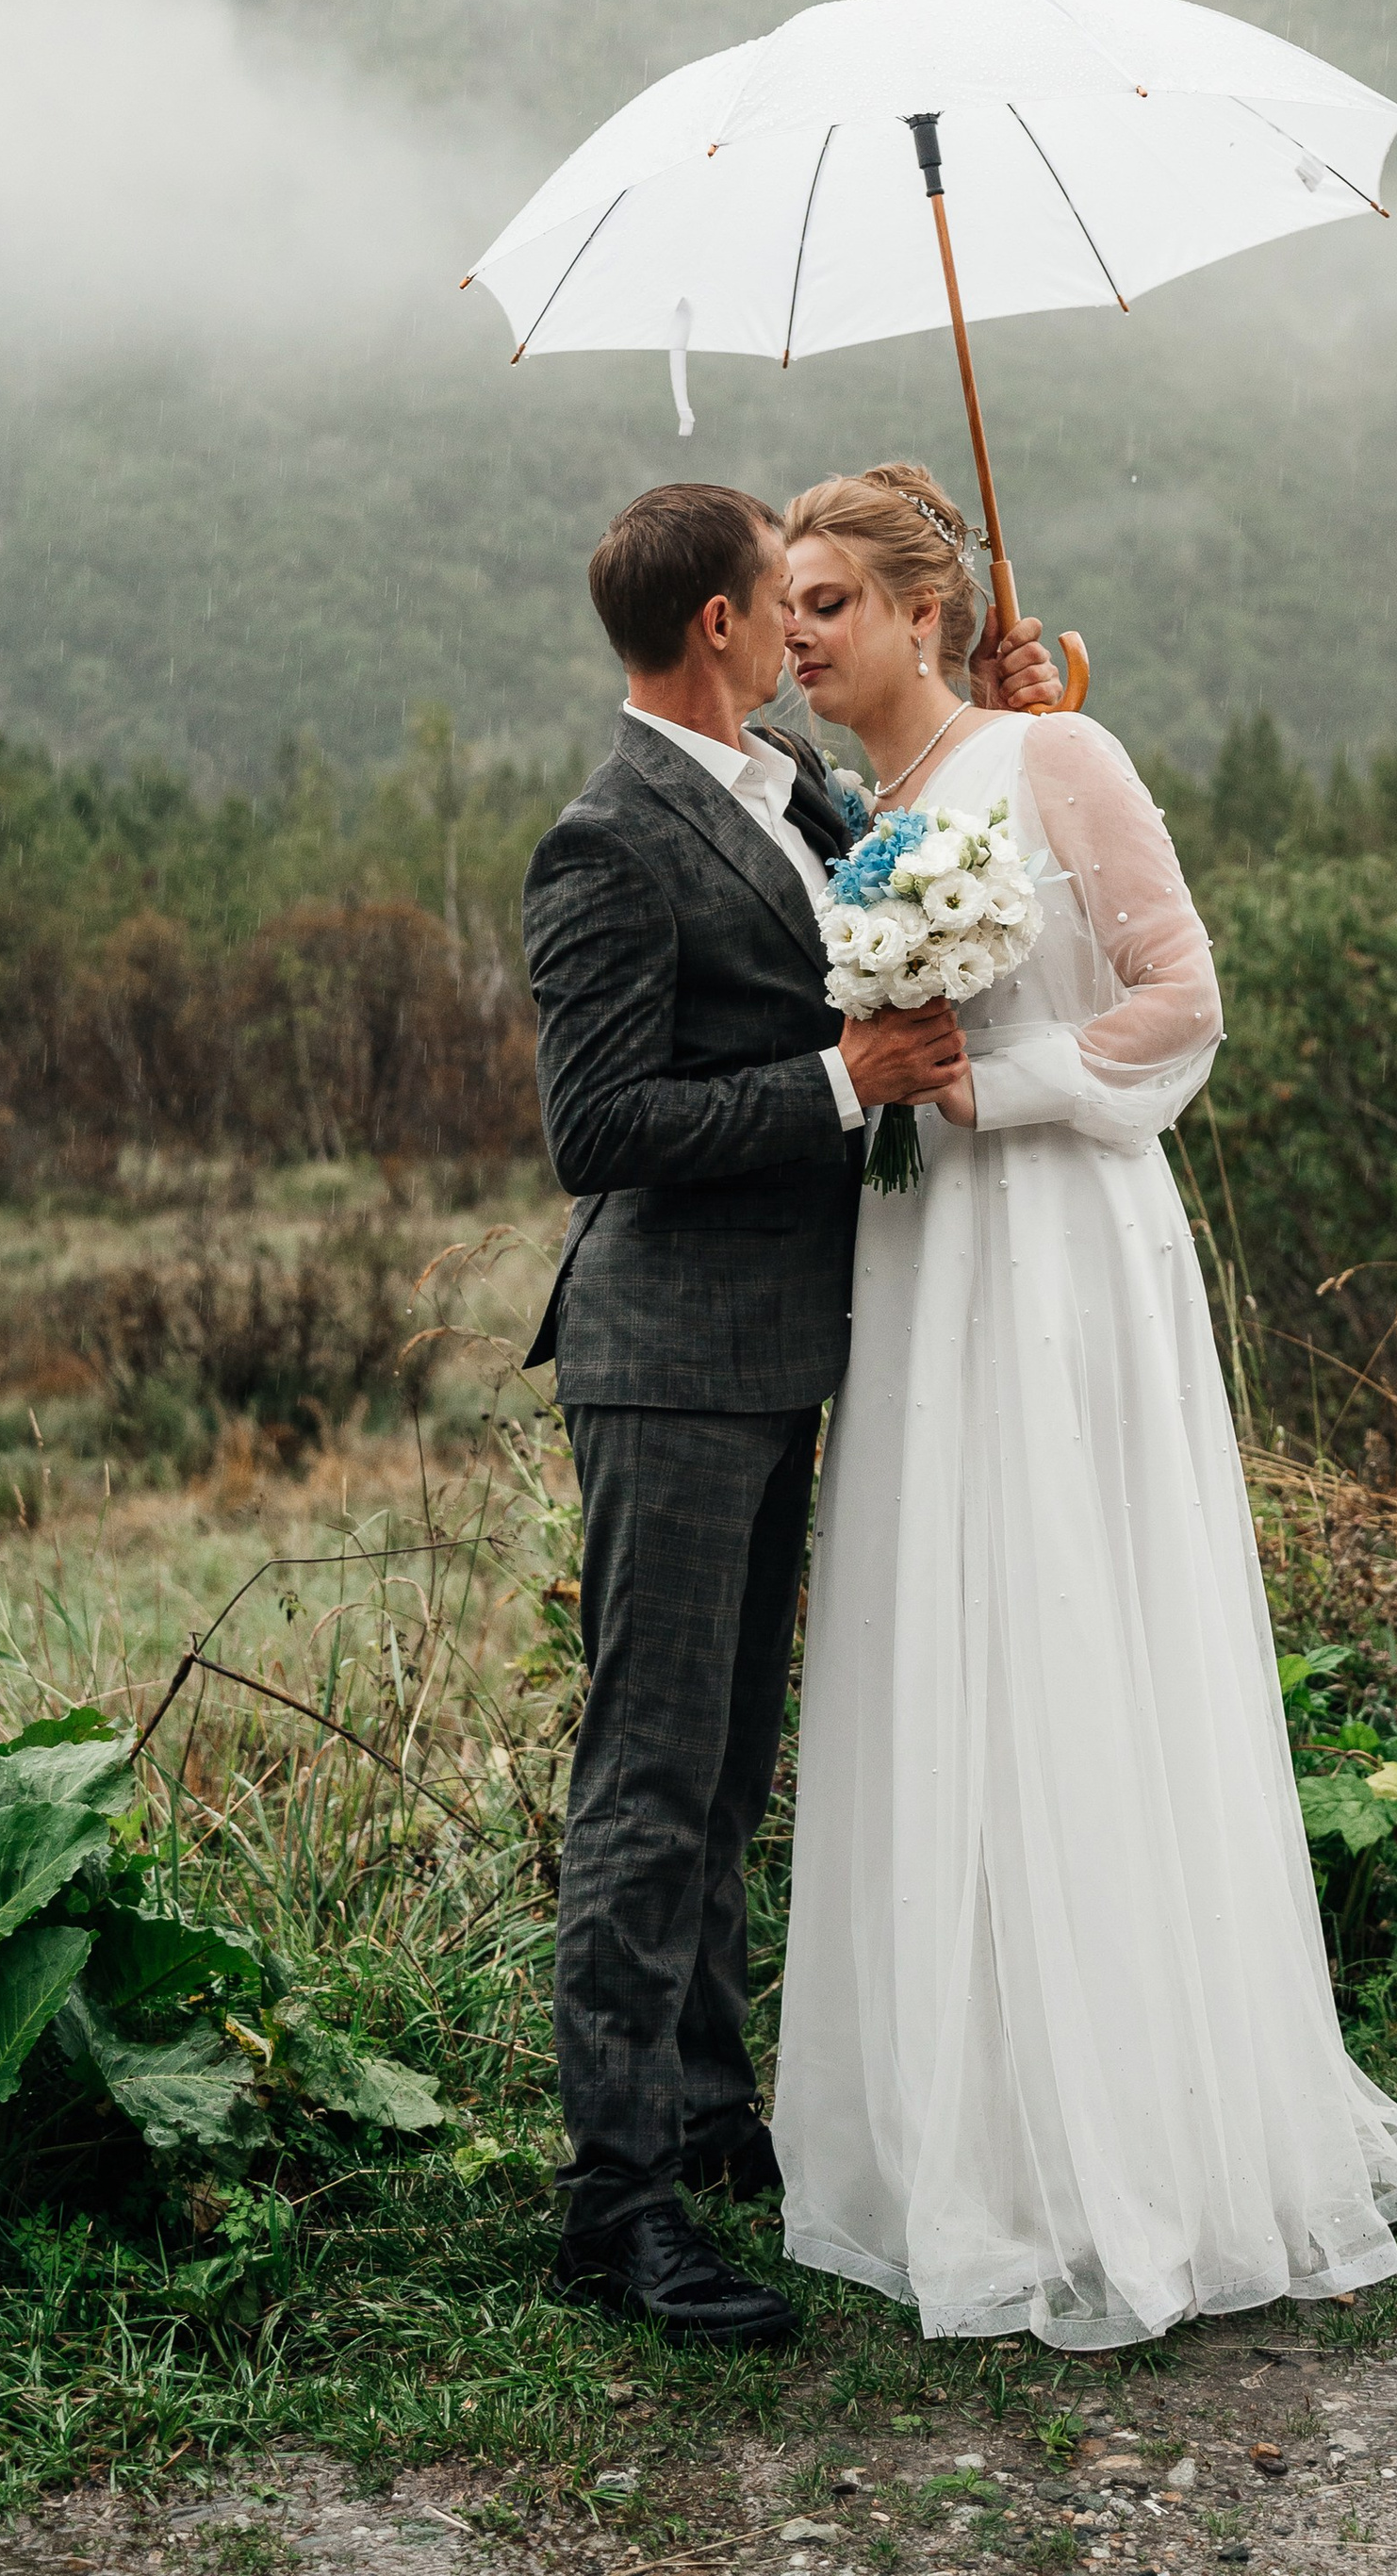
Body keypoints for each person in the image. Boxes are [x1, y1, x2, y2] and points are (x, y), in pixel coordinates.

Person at [771, 462, 1397, 2351]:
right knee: (944, 1641)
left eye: (825, 600)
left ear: (913, 608)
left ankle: (1135, 2139)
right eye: (782, 603)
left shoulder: (1057, 758)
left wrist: (1016, 1078)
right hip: (923, 1266)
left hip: (1056, 1236)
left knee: (1072, 1627)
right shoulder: (863, 808)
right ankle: (967, 2133)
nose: (796, 631)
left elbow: (1181, 990)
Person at [519, 482, 1060, 2352]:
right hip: (664, 1355)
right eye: (780, 600)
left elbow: (902, 853)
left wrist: (1009, 711)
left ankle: (704, 2113)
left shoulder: (784, 794)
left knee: (728, 1767)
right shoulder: (606, 838)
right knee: (651, 1783)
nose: (802, 629)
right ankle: (612, 2206)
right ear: (718, 632)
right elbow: (598, 1130)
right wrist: (835, 1083)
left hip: (777, 1350)